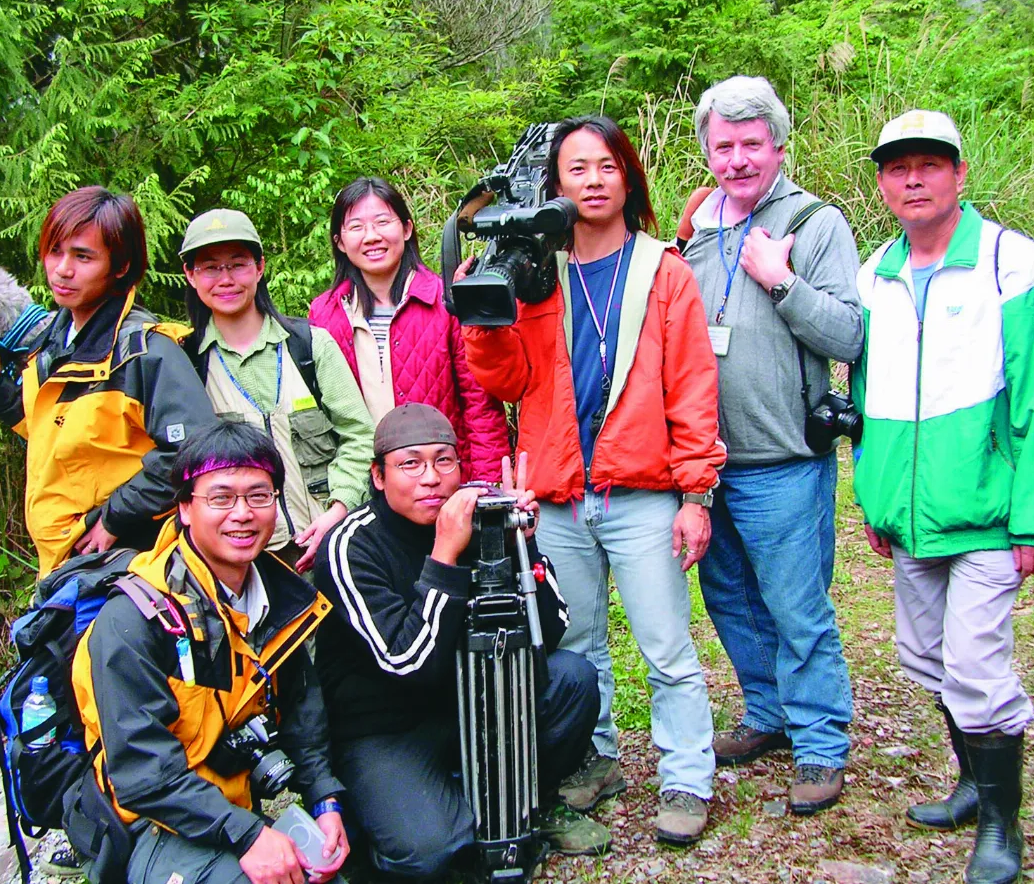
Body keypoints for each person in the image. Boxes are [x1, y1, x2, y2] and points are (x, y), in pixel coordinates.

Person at [462, 116, 727, 844]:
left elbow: (694, 386)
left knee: (665, 644)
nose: (592, 180)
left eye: (606, 166)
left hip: (640, 492)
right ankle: (599, 756)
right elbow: (512, 382)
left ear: (628, 177)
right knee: (575, 646)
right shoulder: (537, 273)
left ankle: (685, 777)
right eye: (576, 169)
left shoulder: (661, 270)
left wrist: (696, 493)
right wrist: (484, 319)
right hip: (559, 495)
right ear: (554, 185)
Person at [853, 110, 1034, 884]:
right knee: (928, 657)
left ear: (959, 173)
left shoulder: (1015, 267)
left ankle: (1004, 826)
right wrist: (877, 497)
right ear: (882, 180)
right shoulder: (875, 271)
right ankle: (975, 787)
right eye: (897, 166)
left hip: (984, 510)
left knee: (976, 668)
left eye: (930, 163)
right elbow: (866, 390)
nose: (913, 178)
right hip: (911, 516)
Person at [313, 403, 609, 879]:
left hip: (474, 706)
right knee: (433, 853)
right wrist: (445, 553)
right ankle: (403, 812)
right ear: (379, 476)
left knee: (574, 679)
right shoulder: (350, 545)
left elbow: (549, 633)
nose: (430, 478)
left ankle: (533, 801)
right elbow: (407, 663)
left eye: (443, 461)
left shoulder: (484, 521)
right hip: (385, 728)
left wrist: (522, 543)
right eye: (410, 464)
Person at [677, 76, 860, 814]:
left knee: (796, 606)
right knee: (730, 600)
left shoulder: (817, 223)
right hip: (707, 464)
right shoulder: (696, 228)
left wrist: (781, 282)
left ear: (778, 147)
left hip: (786, 458)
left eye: (753, 144)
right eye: (724, 146)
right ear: (708, 152)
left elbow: (849, 334)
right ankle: (770, 713)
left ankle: (820, 743)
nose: (738, 159)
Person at [66, 420, 350, 884]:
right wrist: (248, 836)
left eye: (259, 496)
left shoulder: (282, 599)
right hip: (151, 823)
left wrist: (324, 801)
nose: (242, 513)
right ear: (183, 508)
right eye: (220, 498)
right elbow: (142, 773)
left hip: (229, 807)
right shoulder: (134, 620)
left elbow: (301, 710)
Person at [0, 186, 217, 579]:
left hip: (132, 562)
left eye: (83, 256)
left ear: (121, 266)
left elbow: (196, 451)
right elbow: (59, 436)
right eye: (55, 251)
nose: (62, 269)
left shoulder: (145, 350)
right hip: (68, 558)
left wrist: (114, 518)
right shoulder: (54, 346)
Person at [179, 208, 375, 573]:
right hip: (231, 560)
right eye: (210, 267)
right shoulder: (185, 363)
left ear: (259, 267)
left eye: (237, 264)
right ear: (191, 275)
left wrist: (339, 509)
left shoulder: (311, 346)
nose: (226, 279)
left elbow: (360, 435)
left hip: (323, 546)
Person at [308, 177, 509, 482]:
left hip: (439, 483)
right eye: (357, 227)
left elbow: (479, 406)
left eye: (382, 222)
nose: (372, 236)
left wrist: (485, 488)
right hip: (361, 486)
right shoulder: (324, 314)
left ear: (406, 228)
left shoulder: (446, 302)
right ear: (340, 241)